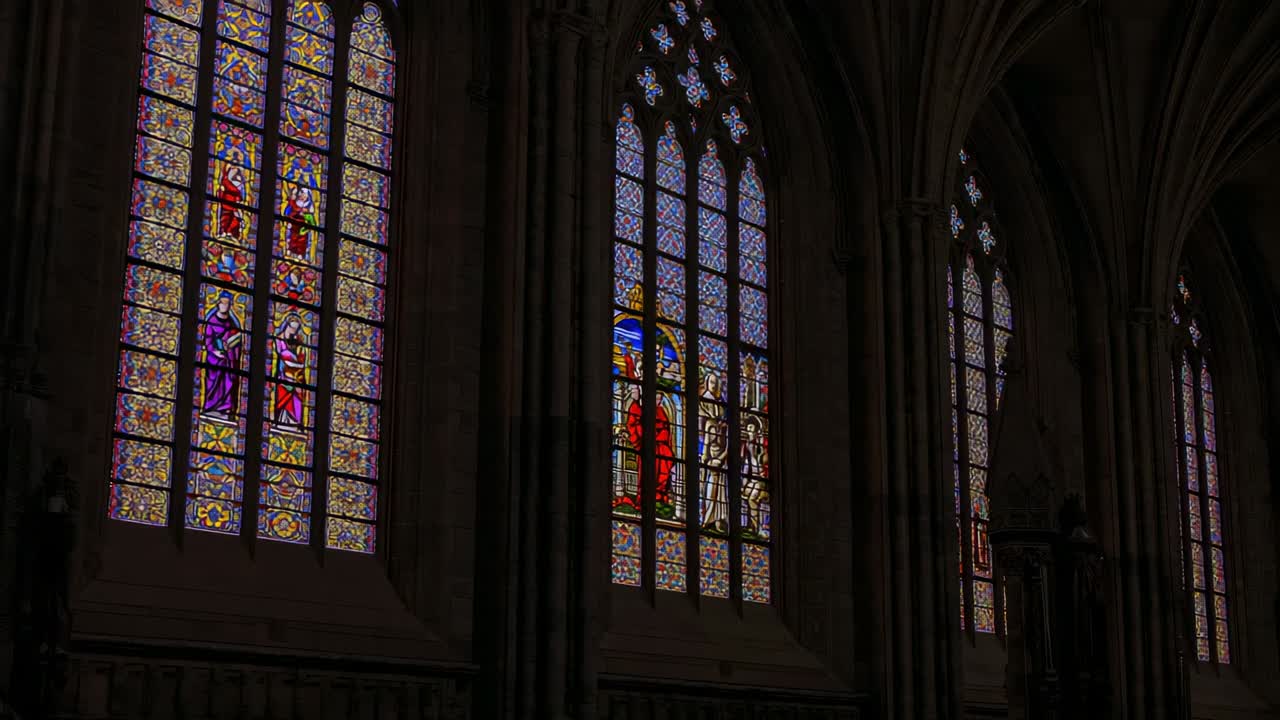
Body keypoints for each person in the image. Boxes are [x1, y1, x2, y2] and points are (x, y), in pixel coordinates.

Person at [200, 291, 243, 419]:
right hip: (214, 360)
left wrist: (231, 348)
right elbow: (207, 341)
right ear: (218, 304)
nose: (225, 306)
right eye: (223, 303)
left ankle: (226, 408)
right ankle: (211, 407)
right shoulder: (212, 321)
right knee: (213, 384)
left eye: (228, 304)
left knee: (227, 382)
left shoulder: (231, 323)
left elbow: (236, 341)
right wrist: (215, 351)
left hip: (227, 360)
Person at [269, 314, 308, 429]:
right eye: (292, 328)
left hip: (296, 376)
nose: (293, 331)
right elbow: (282, 356)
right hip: (283, 377)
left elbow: (301, 357)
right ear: (287, 326)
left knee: (297, 397)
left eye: (296, 329)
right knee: (284, 400)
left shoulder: (297, 342)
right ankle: (282, 421)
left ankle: (293, 422)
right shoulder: (279, 340)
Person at [216, 165, 246, 241]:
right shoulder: (226, 181)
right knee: (225, 219)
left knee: (235, 220)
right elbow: (230, 189)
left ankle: (230, 233)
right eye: (233, 169)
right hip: (227, 203)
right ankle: (223, 232)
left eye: (236, 170)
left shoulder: (239, 183)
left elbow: (240, 193)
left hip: (234, 205)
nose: (235, 171)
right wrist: (237, 191)